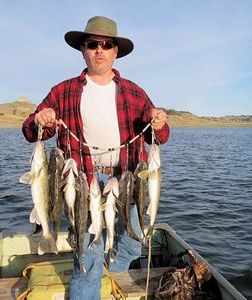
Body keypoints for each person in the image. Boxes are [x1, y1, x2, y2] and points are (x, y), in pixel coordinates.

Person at [22, 16, 170, 300]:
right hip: (81, 182)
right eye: (93, 44)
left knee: (131, 245)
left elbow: (158, 137)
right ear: (83, 50)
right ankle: (88, 270)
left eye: (106, 45)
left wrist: (160, 123)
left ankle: (97, 266)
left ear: (116, 52)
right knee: (87, 257)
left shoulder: (135, 93)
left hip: (124, 181)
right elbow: (31, 130)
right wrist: (41, 118)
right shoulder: (63, 91)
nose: (99, 50)